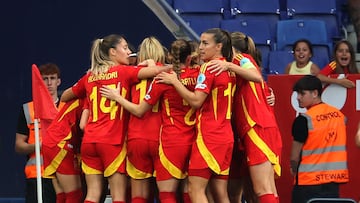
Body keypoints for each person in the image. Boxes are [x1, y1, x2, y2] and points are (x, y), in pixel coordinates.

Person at [60, 34, 171, 203]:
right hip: (112, 141)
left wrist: (88, 86)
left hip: (89, 141)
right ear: (112, 52)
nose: (129, 52)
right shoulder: (123, 72)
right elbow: (157, 71)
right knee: (118, 196)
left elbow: (65, 96)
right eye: (125, 48)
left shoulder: (90, 76)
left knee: (92, 194)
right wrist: (153, 63)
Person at [100, 38, 199, 203]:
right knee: (186, 190)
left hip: (139, 138)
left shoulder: (131, 74)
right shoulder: (184, 74)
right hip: (168, 138)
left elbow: (138, 109)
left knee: (140, 194)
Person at [155, 28, 247, 203]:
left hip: (209, 135)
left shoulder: (208, 68)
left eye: (205, 43)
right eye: (200, 43)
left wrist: (175, 81)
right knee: (220, 193)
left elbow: (196, 101)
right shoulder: (230, 68)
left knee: (195, 189)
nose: (201, 47)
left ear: (219, 46)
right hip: (226, 136)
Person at [208, 32, 282, 203]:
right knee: (264, 189)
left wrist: (229, 67)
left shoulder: (240, 59)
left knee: (263, 189)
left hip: (256, 127)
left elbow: (255, 76)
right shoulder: (240, 69)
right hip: (257, 128)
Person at [290, 75, 349, 203]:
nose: (298, 98)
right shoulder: (340, 116)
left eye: (302, 94)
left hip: (307, 184)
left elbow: (294, 158)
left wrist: (294, 168)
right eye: (297, 94)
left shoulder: (304, 120)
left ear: (315, 93)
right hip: (333, 183)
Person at [15, 63, 63, 203]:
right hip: (37, 175)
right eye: (45, 79)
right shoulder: (28, 109)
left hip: (64, 175)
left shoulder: (67, 107)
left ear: (58, 81)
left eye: (52, 78)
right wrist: (41, 145)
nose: (49, 83)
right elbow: (19, 146)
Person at [42, 98, 85, 203]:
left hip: (51, 141)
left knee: (62, 196)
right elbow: (84, 126)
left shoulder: (81, 93)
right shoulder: (88, 97)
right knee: (74, 195)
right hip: (61, 142)